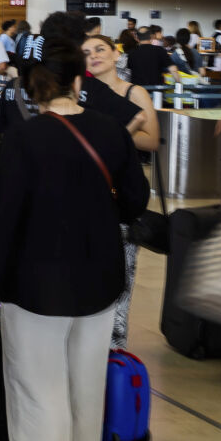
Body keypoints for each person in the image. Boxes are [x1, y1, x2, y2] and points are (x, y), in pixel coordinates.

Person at [0, 42, 150, 441]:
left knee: (37, 386)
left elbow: (2, 218)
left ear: (33, 90)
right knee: (85, 384)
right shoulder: (111, 130)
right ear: (78, 81)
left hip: (35, 281)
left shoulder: (25, 140)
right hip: (99, 278)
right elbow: (135, 201)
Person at [81, 34, 161, 348]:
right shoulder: (80, 95)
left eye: (100, 49)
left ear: (116, 55)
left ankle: (116, 349)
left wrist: (115, 135)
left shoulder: (133, 93)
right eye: (86, 52)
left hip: (122, 192)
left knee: (121, 275)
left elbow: (152, 140)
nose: (94, 55)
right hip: (87, 192)